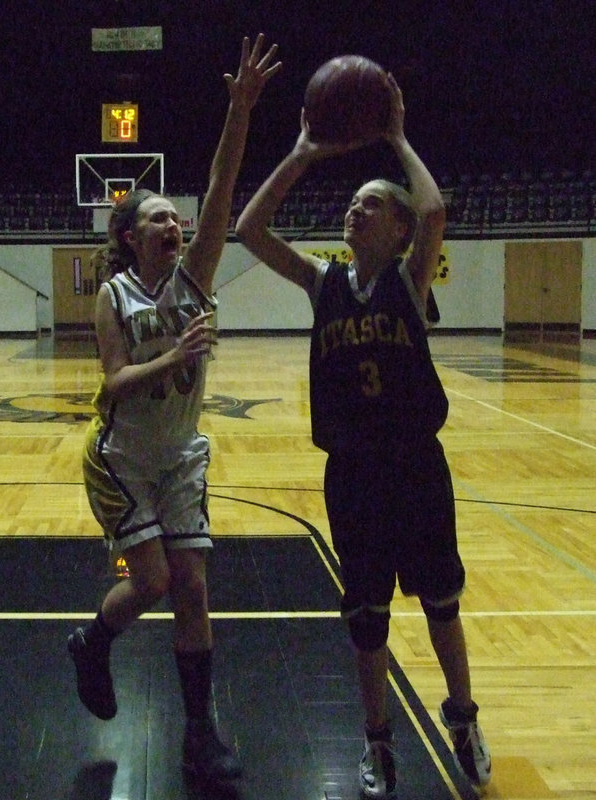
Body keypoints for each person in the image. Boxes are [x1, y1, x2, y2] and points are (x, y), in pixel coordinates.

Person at [236, 73, 491, 798]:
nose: (354, 210)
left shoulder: (409, 282)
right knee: (365, 619)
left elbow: (434, 207)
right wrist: (301, 154)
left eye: (370, 205)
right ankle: (377, 743)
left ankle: (463, 719)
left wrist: (397, 138)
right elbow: (249, 231)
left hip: (416, 466)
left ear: (400, 229)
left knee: (442, 604)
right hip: (350, 473)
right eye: (352, 204)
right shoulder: (323, 284)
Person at [68, 34, 281, 782]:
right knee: (154, 581)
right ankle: (91, 643)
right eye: (158, 219)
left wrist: (240, 110)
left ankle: (200, 731)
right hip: (121, 460)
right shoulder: (113, 294)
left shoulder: (194, 279)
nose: (175, 223)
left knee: (192, 586)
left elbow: (223, 185)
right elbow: (114, 383)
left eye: (176, 217)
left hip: (179, 456)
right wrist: (175, 359)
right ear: (130, 238)